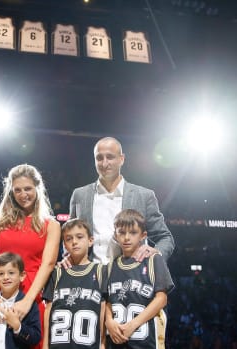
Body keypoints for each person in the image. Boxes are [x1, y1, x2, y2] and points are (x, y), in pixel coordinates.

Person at [0, 164, 61, 349]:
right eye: (17, 190)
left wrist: (27, 301)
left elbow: (48, 263)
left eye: (28, 188)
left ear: (38, 188)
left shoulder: (51, 225)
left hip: (31, 294)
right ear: (11, 191)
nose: (23, 194)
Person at [69, 136, 174, 265]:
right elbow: (70, 235)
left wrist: (155, 254)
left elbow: (165, 238)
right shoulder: (80, 195)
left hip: (130, 277)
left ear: (121, 159)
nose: (104, 163)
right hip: (89, 278)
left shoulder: (144, 196)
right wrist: (68, 258)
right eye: (99, 158)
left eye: (110, 157)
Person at [105, 209, 175, 348]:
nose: (126, 237)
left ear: (143, 235)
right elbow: (108, 301)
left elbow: (161, 299)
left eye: (133, 232)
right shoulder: (111, 266)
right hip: (117, 342)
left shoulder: (153, 259)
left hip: (146, 342)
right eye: (122, 232)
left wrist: (133, 325)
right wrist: (108, 321)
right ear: (115, 235)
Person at [42, 219, 106, 349]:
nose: (74, 242)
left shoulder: (101, 271)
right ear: (64, 244)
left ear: (90, 241)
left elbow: (103, 310)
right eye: (68, 239)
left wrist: (103, 344)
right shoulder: (57, 272)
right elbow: (48, 310)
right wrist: (45, 345)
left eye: (79, 237)